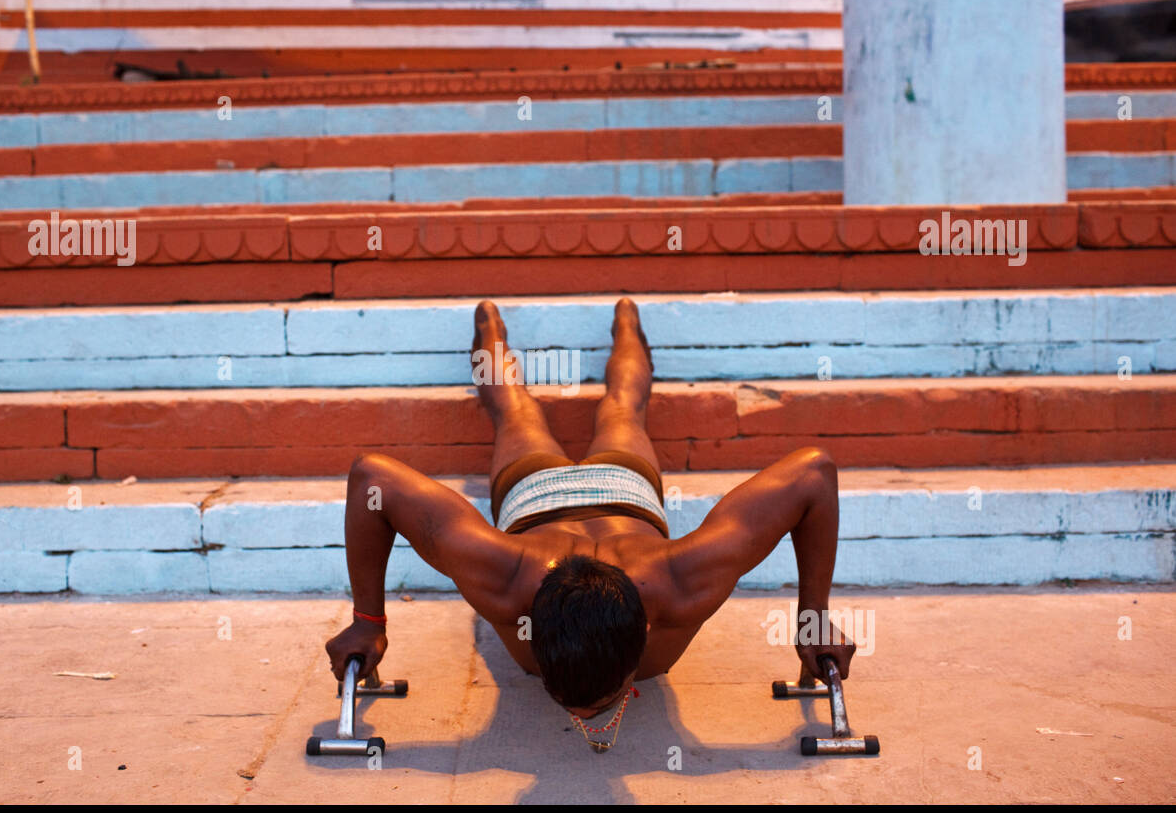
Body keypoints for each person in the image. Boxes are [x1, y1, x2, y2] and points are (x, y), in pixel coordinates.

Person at [325, 298, 855, 752]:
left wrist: (371, 619)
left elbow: (815, 475)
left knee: (532, 413)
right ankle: (506, 326)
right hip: (575, 496)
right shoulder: (524, 582)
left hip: (589, 495)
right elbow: (813, 473)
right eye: (564, 697)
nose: (584, 716)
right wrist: (368, 621)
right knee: (596, 410)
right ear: (531, 619)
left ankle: (622, 324)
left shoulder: (521, 580)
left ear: (644, 631)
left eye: (598, 702)